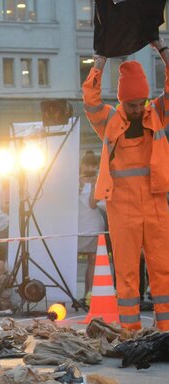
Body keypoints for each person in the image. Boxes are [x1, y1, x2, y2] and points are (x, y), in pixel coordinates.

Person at [85, 46, 169, 330]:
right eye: (132, 104)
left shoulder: (155, 112)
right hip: (122, 207)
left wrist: (164, 52)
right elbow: (90, 100)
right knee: (127, 272)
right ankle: (131, 332)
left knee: (163, 270)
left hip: (156, 203)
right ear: (122, 101)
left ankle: (166, 330)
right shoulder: (109, 119)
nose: (138, 109)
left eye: (141, 103)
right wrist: (99, 64)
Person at [77, 151, 104, 303]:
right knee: (70, 259)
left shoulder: (99, 180)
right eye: (87, 164)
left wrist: (94, 184)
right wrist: (79, 183)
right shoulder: (74, 180)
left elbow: (93, 204)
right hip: (75, 226)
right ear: (81, 165)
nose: (90, 168)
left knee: (92, 260)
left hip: (93, 225)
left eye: (93, 165)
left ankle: (89, 295)